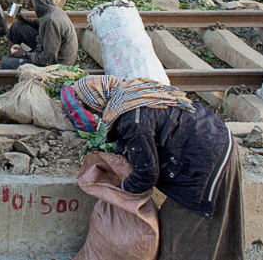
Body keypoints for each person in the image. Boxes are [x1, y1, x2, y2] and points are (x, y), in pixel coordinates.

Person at [71, 76, 243, 260]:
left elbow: (147, 174)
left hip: (207, 156)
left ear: (97, 99)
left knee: (180, 229)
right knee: (191, 224)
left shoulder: (132, 119)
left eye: (89, 107)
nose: (93, 114)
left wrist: (121, 191)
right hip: (215, 138)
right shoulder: (129, 96)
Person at [0, 0, 78, 70]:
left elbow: (48, 59)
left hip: (57, 65)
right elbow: (40, 23)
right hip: (47, 52)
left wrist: (25, 54)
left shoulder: (51, 21)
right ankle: (12, 57)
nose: (24, 0)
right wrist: (24, 19)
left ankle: (8, 64)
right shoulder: (51, 10)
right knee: (17, 26)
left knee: (6, 63)